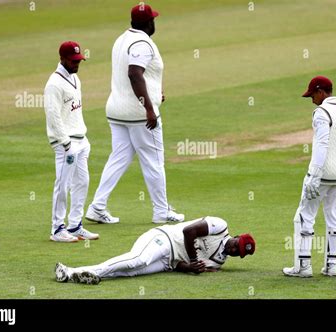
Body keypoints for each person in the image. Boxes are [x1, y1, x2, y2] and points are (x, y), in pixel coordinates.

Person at [85, 4, 184, 225]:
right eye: (153, 20)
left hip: (117, 110)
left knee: (119, 157)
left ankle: (97, 207)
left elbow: (137, 75)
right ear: (149, 23)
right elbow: (134, 73)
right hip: (138, 114)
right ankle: (161, 211)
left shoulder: (122, 39)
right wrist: (148, 107)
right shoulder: (143, 43)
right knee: (154, 161)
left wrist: (155, 94)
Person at [283, 76, 336, 277]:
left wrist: (314, 174)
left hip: (322, 174)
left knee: (304, 215)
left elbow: (321, 145)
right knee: (334, 213)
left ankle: (302, 267)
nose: (311, 99)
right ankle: (333, 266)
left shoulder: (321, 112)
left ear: (321, 92)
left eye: (312, 94)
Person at [55, 216, 256, 284]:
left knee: (131, 272)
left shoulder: (218, 264)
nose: (234, 249)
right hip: (164, 238)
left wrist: (190, 268)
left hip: (167, 263)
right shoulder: (220, 226)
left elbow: (180, 266)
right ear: (237, 236)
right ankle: (72, 271)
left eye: (238, 252)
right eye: (236, 244)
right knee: (138, 260)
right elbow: (189, 231)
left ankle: (84, 275)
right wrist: (194, 259)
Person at [44, 41, 98, 242]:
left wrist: (83, 138)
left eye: (79, 60)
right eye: (73, 60)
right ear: (62, 59)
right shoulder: (54, 84)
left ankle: (75, 225)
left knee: (82, 181)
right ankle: (57, 229)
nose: (77, 64)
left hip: (80, 140)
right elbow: (53, 115)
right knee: (63, 184)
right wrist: (65, 142)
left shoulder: (75, 79)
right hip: (65, 143)